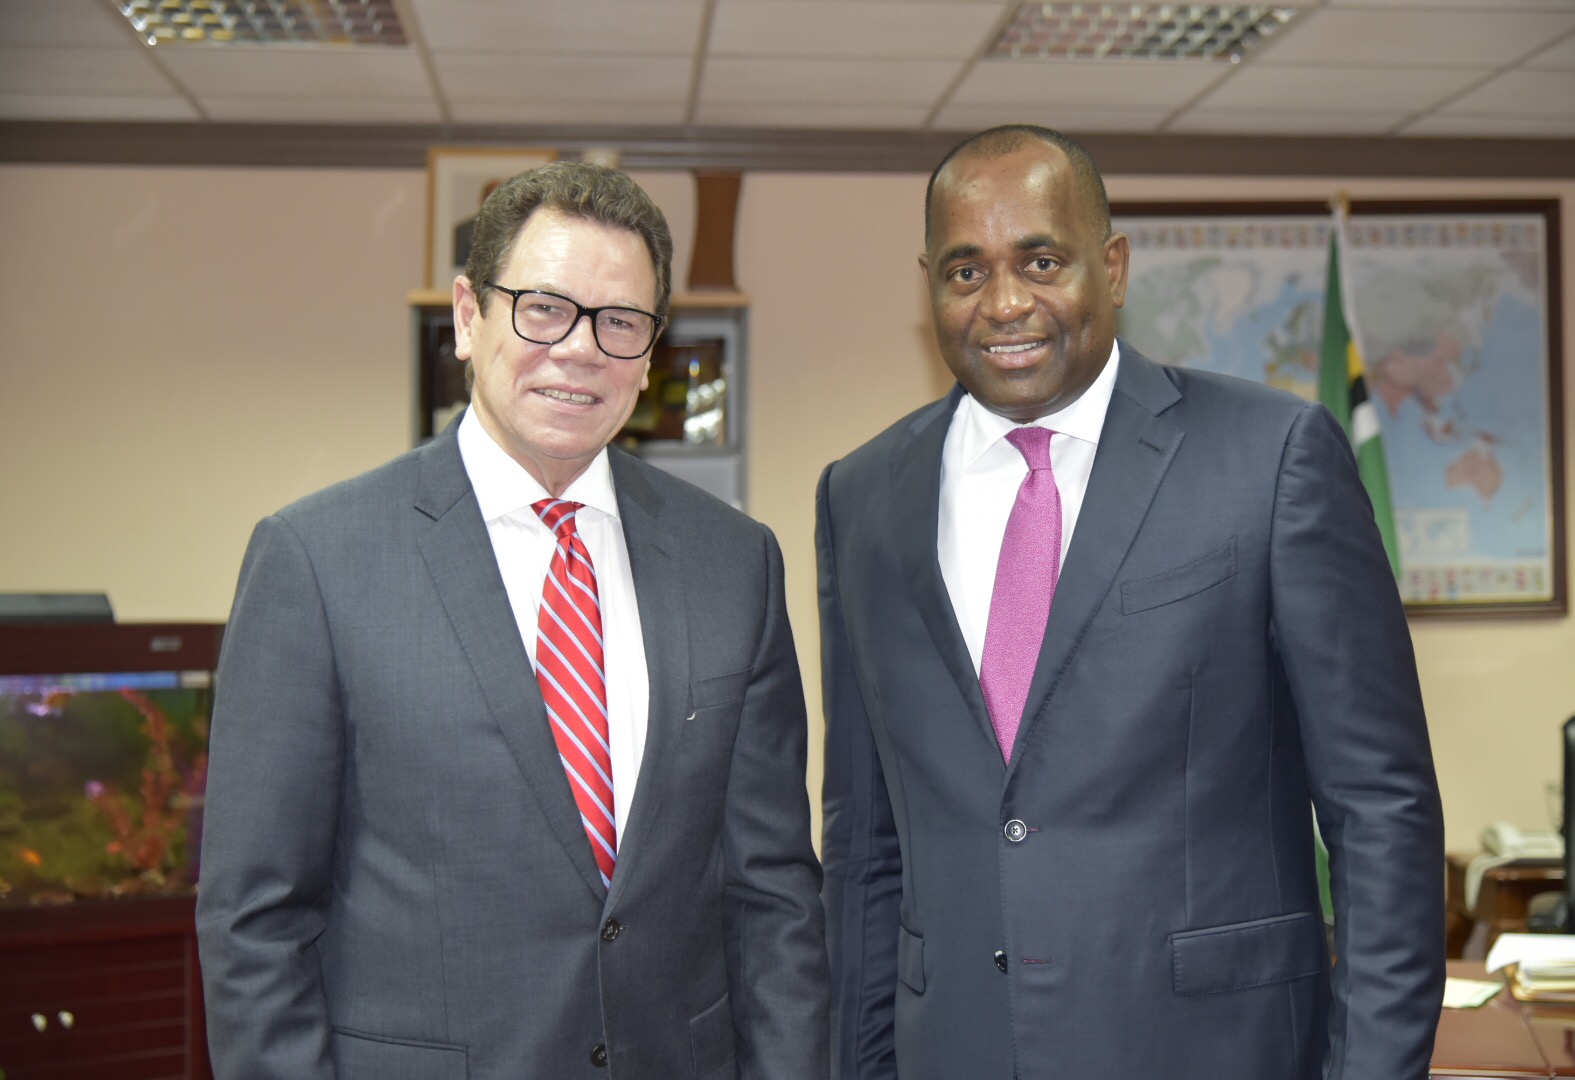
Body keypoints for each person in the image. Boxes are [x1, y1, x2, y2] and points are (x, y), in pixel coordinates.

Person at [816, 125, 1444, 1080]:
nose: (1005, 303)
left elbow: (1380, 814)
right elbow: (864, 842)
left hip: (1213, 1053)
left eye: (1040, 260)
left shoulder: (1271, 457)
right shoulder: (862, 496)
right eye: (965, 271)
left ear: (1111, 267)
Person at [197, 161, 829, 1080]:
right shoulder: (317, 560)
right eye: (542, 307)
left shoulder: (734, 562)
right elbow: (255, 921)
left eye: (620, 322)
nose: (579, 349)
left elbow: (773, 893)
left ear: (650, 352)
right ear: (467, 316)